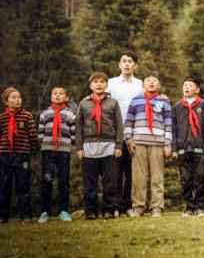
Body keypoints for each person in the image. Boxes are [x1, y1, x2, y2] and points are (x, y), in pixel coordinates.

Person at [76, 72, 123, 220]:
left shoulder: (113, 103)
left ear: (106, 85)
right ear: (90, 85)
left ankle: (108, 209)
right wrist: (79, 147)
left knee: (109, 181)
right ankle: (91, 211)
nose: (99, 84)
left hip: (109, 145)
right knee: (90, 182)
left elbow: (119, 125)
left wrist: (119, 145)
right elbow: (79, 127)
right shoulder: (83, 104)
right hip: (89, 146)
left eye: (102, 82)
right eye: (95, 82)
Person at [124, 73, 172, 218]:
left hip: (157, 142)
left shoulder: (164, 101)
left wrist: (167, 143)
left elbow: (168, 124)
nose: (151, 83)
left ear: (158, 85)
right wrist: (128, 140)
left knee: (157, 177)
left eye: (154, 81)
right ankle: (139, 206)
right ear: (143, 84)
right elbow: (129, 121)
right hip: (138, 143)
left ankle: (157, 207)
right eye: (148, 81)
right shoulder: (135, 100)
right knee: (139, 177)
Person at [107, 51, 143, 217]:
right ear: (119, 65)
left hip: (134, 133)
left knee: (131, 172)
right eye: (124, 61)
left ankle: (128, 205)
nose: (127, 64)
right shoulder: (111, 83)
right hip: (115, 132)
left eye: (130, 61)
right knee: (115, 171)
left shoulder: (140, 84)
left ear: (135, 66)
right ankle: (115, 206)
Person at [172, 77, 204, 217]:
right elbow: (174, 128)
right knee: (185, 179)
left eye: (190, 85)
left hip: (199, 149)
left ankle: (200, 207)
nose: (187, 87)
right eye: (185, 85)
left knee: (200, 178)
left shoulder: (203, 105)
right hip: (183, 149)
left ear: (197, 90)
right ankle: (189, 207)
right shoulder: (177, 106)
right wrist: (175, 148)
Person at [37, 87, 76, 223]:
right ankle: (45, 211)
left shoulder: (70, 114)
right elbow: (40, 133)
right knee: (47, 180)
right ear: (51, 96)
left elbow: (73, 133)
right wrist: (44, 144)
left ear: (66, 97)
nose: (58, 96)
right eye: (55, 94)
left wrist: (71, 144)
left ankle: (64, 211)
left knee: (63, 180)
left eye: (61, 94)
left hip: (63, 151)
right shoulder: (45, 114)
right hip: (48, 151)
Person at [0, 87, 38, 223]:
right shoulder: (2, 118)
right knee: (4, 185)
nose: (17, 100)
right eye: (13, 98)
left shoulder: (27, 116)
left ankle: (26, 215)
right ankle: (3, 216)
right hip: (5, 155)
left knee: (23, 185)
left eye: (19, 97)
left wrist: (32, 150)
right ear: (6, 101)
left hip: (22, 155)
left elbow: (33, 135)